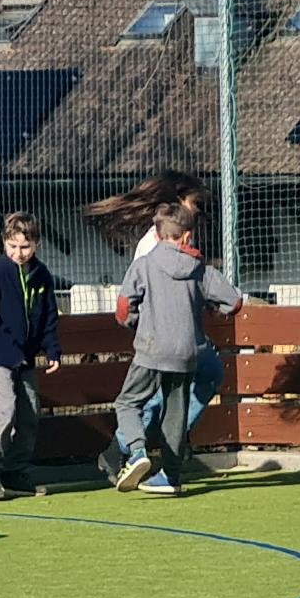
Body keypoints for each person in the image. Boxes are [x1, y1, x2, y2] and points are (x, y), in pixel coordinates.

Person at [84, 172, 225, 484]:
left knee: (206, 375)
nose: (197, 210)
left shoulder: (181, 236)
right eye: (194, 203)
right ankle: (128, 449)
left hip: (181, 333)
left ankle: (157, 443)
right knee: (153, 398)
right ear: (178, 201)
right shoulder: (154, 243)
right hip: (163, 333)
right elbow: (139, 293)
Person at [113, 203, 243, 495]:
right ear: (187, 236)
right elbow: (234, 303)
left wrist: (137, 324)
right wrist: (208, 305)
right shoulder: (201, 270)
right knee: (175, 413)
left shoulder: (144, 265)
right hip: (186, 352)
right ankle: (170, 477)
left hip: (151, 348)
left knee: (127, 403)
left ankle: (137, 451)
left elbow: (122, 310)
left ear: (158, 235)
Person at [0, 211, 61, 500]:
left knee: (30, 412)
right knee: (5, 410)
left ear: (36, 244)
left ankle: (15, 472)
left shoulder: (41, 274)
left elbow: (48, 315)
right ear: (4, 242)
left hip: (26, 358)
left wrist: (51, 349)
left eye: (25, 247)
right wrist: (11, 350)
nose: (19, 253)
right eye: (13, 246)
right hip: (0, 357)